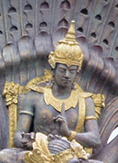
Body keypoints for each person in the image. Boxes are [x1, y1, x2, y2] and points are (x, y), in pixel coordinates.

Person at [13, 23, 100, 152]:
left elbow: (95, 139)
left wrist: (69, 134)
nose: (67, 75)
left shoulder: (86, 102)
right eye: (63, 70)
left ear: (77, 72)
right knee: (3, 157)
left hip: (70, 160)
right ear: (53, 69)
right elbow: (18, 134)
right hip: (37, 154)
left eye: (72, 71)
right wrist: (27, 141)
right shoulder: (34, 97)